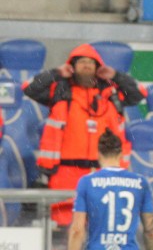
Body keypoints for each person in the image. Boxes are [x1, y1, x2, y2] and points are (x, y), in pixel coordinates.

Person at [23, 43, 146, 225]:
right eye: (81, 62)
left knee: (102, 223)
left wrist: (116, 76)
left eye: (91, 62)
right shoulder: (59, 90)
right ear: (72, 66)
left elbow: (139, 93)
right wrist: (56, 73)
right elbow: (29, 88)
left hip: (103, 170)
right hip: (64, 172)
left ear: (98, 67)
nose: (86, 65)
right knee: (64, 224)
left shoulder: (111, 94)